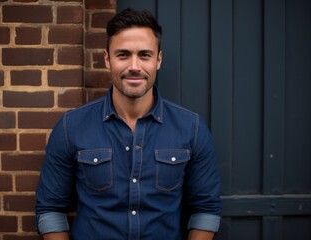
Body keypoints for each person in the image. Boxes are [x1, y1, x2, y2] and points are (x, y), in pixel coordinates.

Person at [35, 8, 222, 240]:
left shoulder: (191, 128)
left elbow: (206, 209)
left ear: (158, 60)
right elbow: (50, 210)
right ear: (107, 59)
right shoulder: (71, 127)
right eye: (123, 55)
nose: (134, 66)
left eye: (144, 55)